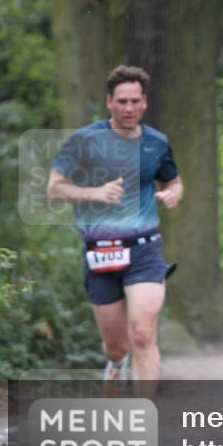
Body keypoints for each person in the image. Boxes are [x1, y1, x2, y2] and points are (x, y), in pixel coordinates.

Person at [47, 65, 182, 395]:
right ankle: (116, 364)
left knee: (143, 336)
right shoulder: (84, 141)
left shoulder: (157, 143)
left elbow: (173, 179)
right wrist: (94, 193)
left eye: (135, 101)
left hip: (145, 249)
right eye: (122, 101)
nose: (129, 108)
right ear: (109, 102)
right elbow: (54, 189)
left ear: (145, 102)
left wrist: (173, 193)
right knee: (117, 345)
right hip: (101, 253)